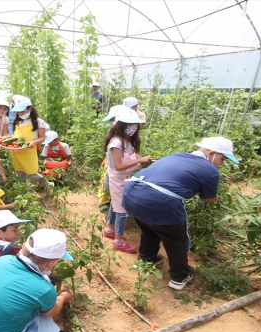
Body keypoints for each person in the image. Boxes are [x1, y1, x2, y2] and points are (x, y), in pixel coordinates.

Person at [122, 136, 240, 290]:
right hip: (158, 202)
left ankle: (146, 260)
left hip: (132, 194)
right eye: (222, 159)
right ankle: (180, 276)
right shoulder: (210, 170)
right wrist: (215, 196)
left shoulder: (177, 155)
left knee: (149, 227)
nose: (221, 164)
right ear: (211, 153)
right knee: (175, 239)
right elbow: (209, 199)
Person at [102, 108, 152, 253]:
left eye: (135, 124)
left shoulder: (127, 140)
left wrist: (140, 160)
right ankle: (118, 241)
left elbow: (129, 159)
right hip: (117, 179)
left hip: (123, 178)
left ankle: (109, 229)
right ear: (121, 124)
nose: (134, 127)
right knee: (122, 210)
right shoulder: (116, 143)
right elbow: (118, 166)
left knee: (115, 204)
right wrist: (140, 160)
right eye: (130, 124)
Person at [4, 96, 53, 187]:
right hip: (16, 151)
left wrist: (33, 142)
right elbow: (16, 136)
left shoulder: (38, 122)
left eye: (22, 111)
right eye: (18, 111)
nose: (19, 113)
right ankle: (24, 192)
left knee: (32, 173)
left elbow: (42, 137)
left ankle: (48, 184)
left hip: (28, 151)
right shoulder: (19, 121)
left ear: (30, 108)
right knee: (20, 173)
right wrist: (7, 137)